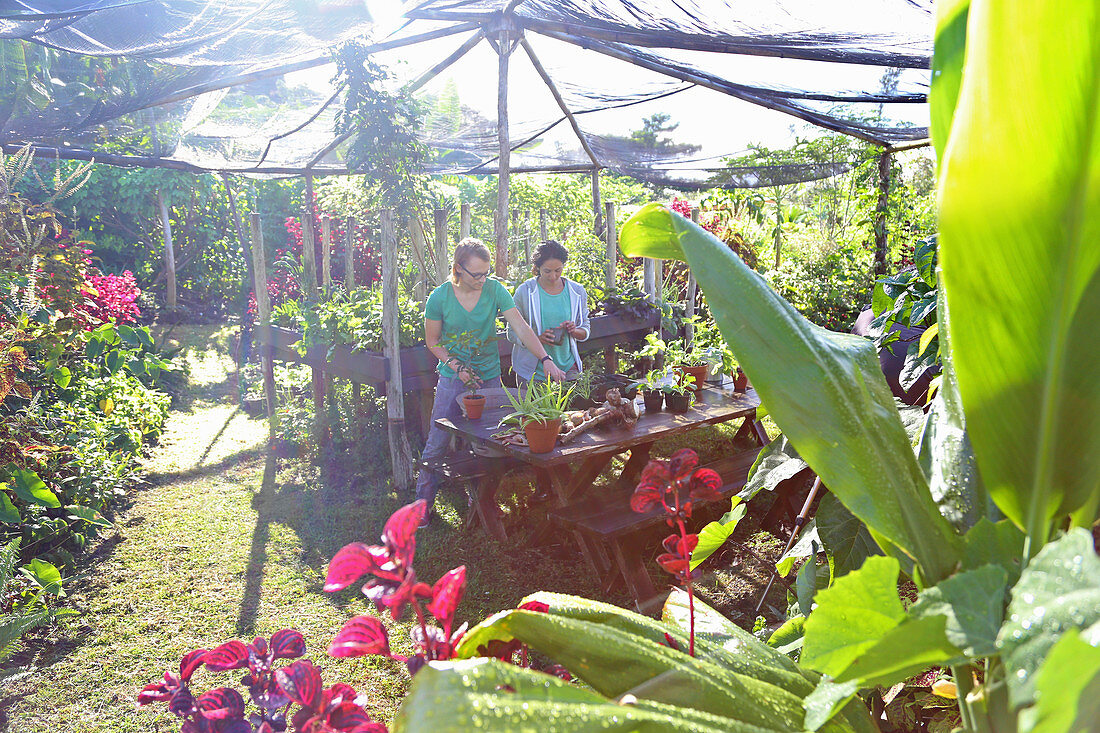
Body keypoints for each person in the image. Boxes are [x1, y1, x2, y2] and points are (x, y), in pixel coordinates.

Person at [416, 237, 566, 526]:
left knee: (490, 443)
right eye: (477, 274)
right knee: (437, 441)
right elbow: (433, 342)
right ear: (459, 268)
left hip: (488, 377)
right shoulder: (440, 297)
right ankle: (422, 505)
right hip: (453, 378)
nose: (483, 279)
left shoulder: (495, 289)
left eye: (487, 273)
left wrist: (545, 359)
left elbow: (521, 327)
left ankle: (482, 499)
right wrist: (457, 366)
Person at [507, 239, 591, 385]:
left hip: (568, 369)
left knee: (573, 408)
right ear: (537, 268)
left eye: (558, 270)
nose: (553, 276)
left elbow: (585, 329)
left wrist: (574, 330)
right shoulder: (525, 292)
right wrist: (537, 339)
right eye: (547, 271)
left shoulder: (576, 291)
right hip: (532, 372)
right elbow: (512, 332)